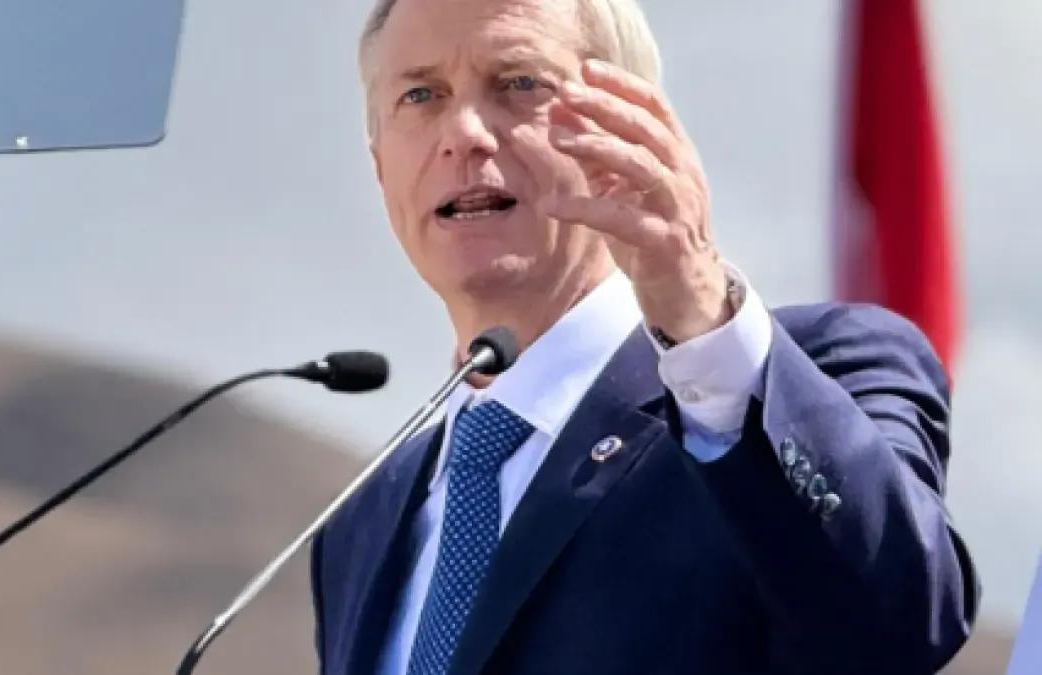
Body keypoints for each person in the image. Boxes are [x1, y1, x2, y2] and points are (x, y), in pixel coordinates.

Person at [310, 0, 979, 673]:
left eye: (518, 83)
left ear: (632, 126)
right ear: (380, 164)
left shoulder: (811, 372)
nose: (464, 132)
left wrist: (703, 319)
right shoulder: (359, 524)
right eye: (421, 95)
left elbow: (900, 625)